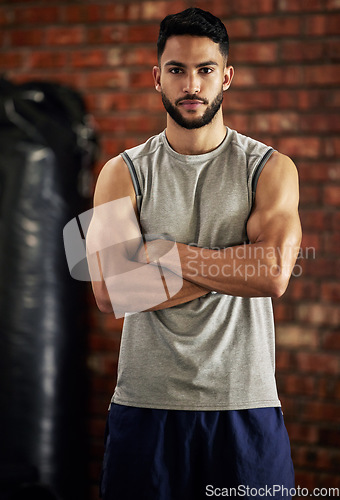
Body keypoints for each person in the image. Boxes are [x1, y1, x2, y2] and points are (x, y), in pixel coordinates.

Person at [87, 7, 302, 500]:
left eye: (205, 70)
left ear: (226, 76)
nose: (192, 84)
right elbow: (110, 290)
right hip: (145, 407)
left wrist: (160, 251)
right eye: (177, 69)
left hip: (245, 406)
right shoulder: (123, 174)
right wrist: (234, 264)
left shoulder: (269, 169)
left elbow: (271, 275)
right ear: (155, 76)